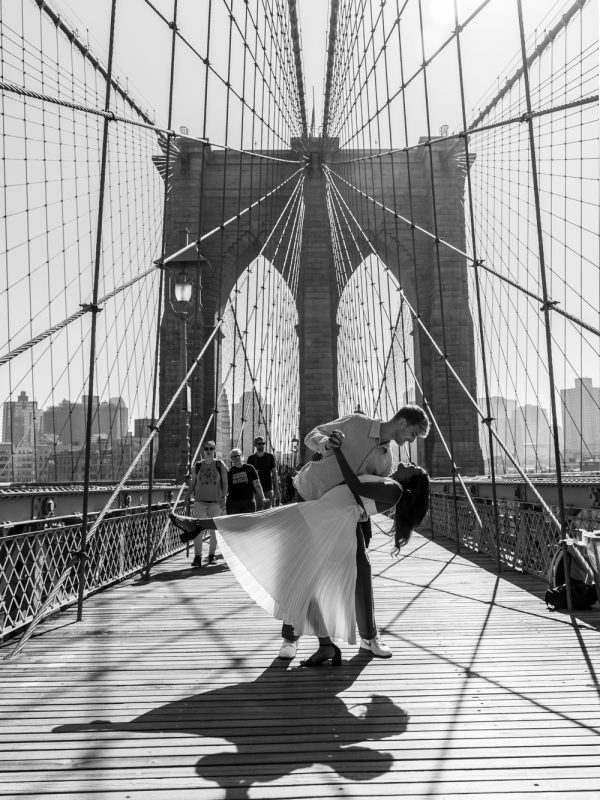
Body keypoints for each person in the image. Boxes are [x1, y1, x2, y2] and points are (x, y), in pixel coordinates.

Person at [169, 440, 430, 666]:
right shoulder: (387, 481)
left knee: (265, 523)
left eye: (413, 468)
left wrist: (337, 453)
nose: (408, 463)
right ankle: (325, 644)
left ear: (411, 482)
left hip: (327, 521)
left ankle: (198, 525)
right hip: (324, 517)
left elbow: (353, 485)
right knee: (300, 572)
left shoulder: (394, 489)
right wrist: (320, 462)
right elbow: (345, 485)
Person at [282, 404, 430, 660]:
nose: (410, 441)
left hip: (343, 514)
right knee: (304, 567)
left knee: (362, 568)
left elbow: (369, 497)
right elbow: (312, 435)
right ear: (403, 422)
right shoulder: (357, 423)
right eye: (414, 434)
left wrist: (363, 513)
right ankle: (290, 636)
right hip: (310, 496)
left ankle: (369, 637)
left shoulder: (386, 461)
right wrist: (326, 443)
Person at [185, 440, 228, 567]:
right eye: (207, 448)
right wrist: (187, 496)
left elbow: (225, 483)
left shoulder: (220, 465)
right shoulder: (198, 466)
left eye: (211, 449)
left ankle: (211, 555)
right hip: (199, 503)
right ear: (203, 450)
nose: (209, 451)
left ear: (214, 451)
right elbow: (192, 483)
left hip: (215, 503)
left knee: (214, 531)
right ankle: (197, 557)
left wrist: (224, 497)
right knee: (198, 531)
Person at [227, 448, 266, 514]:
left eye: (237, 456)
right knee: (234, 524)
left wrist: (263, 498)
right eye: (233, 457)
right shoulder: (229, 472)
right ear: (231, 459)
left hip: (248, 503)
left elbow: (257, 485)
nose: (235, 458)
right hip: (233, 504)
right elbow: (226, 487)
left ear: (242, 456)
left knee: (249, 523)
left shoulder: (250, 468)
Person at [247, 436, 280, 508]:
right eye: (259, 444)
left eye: (263, 443)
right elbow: (248, 476)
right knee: (257, 511)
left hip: (268, 489)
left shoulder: (270, 457)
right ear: (255, 445)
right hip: (256, 490)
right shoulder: (251, 459)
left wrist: (277, 489)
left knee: (268, 512)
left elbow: (274, 473)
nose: (262, 445)